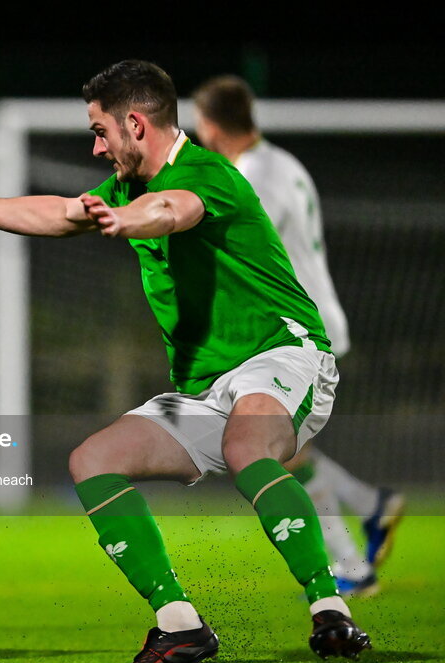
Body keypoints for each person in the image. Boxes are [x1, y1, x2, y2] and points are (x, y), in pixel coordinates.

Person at [0, 59, 370, 663]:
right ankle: (179, 625)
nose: (96, 145)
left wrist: (125, 220)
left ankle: (330, 606)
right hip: (207, 386)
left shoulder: (207, 173)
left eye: (101, 131)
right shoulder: (126, 189)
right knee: (93, 461)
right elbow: (60, 212)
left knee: (247, 447)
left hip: (284, 352)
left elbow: (173, 210)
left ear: (136, 123)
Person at [193, 75, 405, 596]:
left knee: (271, 450)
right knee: (283, 449)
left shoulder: (253, 175)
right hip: (312, 318)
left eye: (199, 123)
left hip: (296, 327)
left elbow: (246, 252)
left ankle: (354, 563)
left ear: (213, 124)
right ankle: (369, 511)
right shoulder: (283, 163)